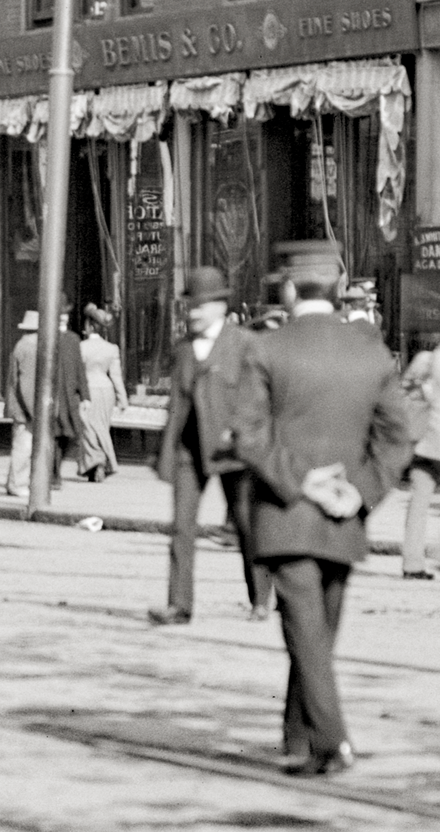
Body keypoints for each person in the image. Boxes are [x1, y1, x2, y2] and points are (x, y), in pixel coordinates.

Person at [234, 240, 410, 777]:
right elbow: (398, 437)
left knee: (306, 633)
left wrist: (300, 481)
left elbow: (248, 435)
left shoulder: (265, 349)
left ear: (288, 289)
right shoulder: (372, 352)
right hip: (344, 519)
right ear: (337, 287)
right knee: (317, 633)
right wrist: (361, 490)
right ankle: (298, 740)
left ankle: (329, 741)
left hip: (285, 516)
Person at [149, 268, 274, 626]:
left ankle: (261, 598)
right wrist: (166, 454)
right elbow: (176, 406)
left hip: (232, 451)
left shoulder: (246, 344)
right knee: (181, 527)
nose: (193, 313)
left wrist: (245, 437)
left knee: (247, 527)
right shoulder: (183, 349)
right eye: (190, 306)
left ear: (221, 306)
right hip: (190, 451)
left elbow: (257, 399)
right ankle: (179, 605)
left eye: (201, 306)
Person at [399, 310, 440, 580]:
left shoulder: (427, 358)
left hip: (420, 439)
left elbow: (404, 392)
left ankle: (412, 563)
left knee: (419, 500)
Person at [77, 305, 128, 483]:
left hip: (87, 391)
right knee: (102, 428)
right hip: (106, 391)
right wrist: (122, 399)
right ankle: (104, 461)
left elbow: (78, 374)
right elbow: (116, 376)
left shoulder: (81, 347)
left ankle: (96, 462)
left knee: (88, 430)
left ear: (90, 326)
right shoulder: (111, 348)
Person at [53, 293, 90, 484]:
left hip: (69, 396)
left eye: (65, 314)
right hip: (52, 395)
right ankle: (53, 474)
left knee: (68, 436)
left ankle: (56, 469)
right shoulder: (46, 337)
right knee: (53, 435)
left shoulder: (73, 339)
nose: (64, 317)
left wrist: (86, 396)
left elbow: (80, 369)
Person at [4, 310, 40, 498]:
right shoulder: (30, 348)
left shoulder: (22, 345)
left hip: (20, 407)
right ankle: (17, 483)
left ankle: (14, 482)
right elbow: (26, 384)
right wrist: (35, 412)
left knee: (23, 445)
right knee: (23, 447)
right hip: (24, 409)